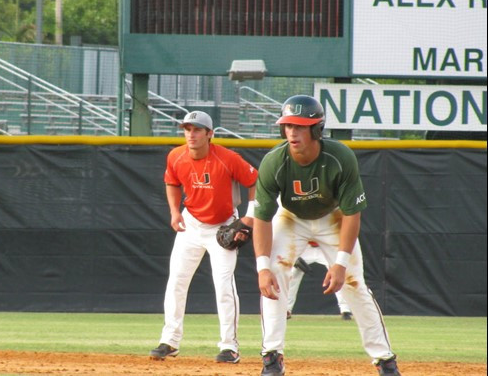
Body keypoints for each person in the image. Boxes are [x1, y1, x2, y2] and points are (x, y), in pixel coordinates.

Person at [252, 95, 401, 376]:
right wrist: (261, 268)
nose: (292, 132)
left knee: (355, 286)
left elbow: (352, 214)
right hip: (291, 217)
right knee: (274, 277)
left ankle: (385, 360)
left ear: (317, 129)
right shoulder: (274, 162)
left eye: (300, 126)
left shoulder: (340, 157)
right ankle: (272, 356)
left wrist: (341, 264)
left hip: (333, 218)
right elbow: (261, 218)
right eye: (287, 126)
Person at [150, 111, 258, 364]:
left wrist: (249, 217)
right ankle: (170, 341)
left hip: (223, 227)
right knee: (177, 280)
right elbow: (172, 183)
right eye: (187, 129)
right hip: (191, 224)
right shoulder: (176, 156)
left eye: (197, 129)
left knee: (224, 286)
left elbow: (256, 181)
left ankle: (230, 347)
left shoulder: (227, 158)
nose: (191, 134)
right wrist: (175, 211)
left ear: (210, 134)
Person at [287, 241, 352, 320]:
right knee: (292, 274)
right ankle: (286, 309)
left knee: (337, 274)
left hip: (325, 244)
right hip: (304, 246)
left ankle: (345, 310)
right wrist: (293, 254)